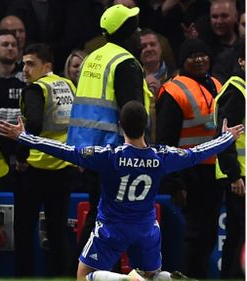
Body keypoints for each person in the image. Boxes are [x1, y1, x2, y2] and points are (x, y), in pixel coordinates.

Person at [0, 101, 244, 281]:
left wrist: (23, 136)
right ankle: (168, 278)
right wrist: (226, 138)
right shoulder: (162, 156)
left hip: (111, 228)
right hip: (147, 229)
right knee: (150, 276)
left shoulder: (108, 157)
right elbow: (196, 154)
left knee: (84, 275)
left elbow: (65, 151)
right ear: (146, 124)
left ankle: (124, 280)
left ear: (120, 126)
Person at [66, 4, 153, 262]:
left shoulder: (93, 58)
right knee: (109, 221)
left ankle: (90, 272)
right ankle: (87, 271)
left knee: (101, 217)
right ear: (126, 33)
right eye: (135, 28)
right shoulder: (125, 63)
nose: (139, 33)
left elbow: (86, 109)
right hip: (117, 153)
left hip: (90, 150)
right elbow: (132, 113)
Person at [155, 38, 222, 278]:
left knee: (208, 236)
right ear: (184, 61)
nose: (199, 59)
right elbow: (164, 142)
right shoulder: (174, 90)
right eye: (192, 55)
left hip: (214, 172)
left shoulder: (216, 84)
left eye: (203, 54)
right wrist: (175, 183)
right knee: (194, 237)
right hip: (189, 174)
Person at [14, 43, 76, 277]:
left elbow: (34, 125)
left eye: (31, 64)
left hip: (34, 168)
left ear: (47, 65)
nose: (25, 69)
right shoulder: (68, 85)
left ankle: (24, 276)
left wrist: (21, 158)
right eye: (24, 64)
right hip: (63, 166)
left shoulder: (35, 90)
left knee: (24, 230)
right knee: (58, 231)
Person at [213, 40, 246, 279]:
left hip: (237, 172)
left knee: (237, 235)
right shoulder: (235, 89)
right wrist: (234, 175)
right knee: (236, 236)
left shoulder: (240, 87)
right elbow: (225, 135)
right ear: (240, 62)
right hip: (236, 176)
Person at [0, 30, 25, 191]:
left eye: (14, 45)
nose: (10, 48)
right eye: (5, 44)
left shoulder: (27, 76)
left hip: (21, 149)